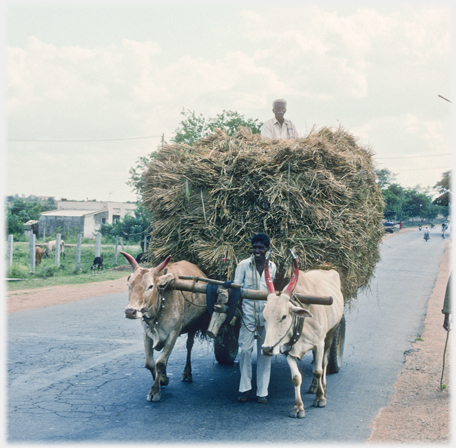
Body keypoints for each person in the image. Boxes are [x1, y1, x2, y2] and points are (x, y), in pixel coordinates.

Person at [234, 233, 277, 403]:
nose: (257, 250)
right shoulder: (243, 265)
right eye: (255, 247)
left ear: (267, 249)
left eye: (261, 247)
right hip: (248, 316)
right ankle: (245, 388)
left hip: (267, 318)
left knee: (265, 353)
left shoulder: (272, 267)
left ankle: (262, 392)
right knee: (244, 351)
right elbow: (236, 289)